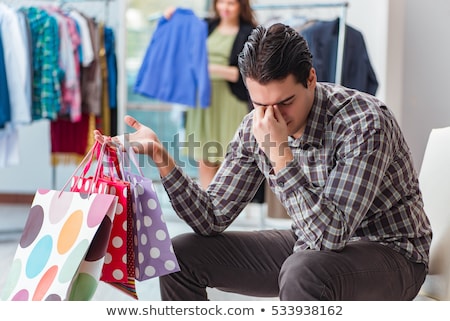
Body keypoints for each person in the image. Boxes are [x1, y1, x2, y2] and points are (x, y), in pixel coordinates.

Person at [95, 23, 432, 300]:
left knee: (305, 269)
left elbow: (330, 238)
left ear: (311, 79)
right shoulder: (254, 124)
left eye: (285, 102)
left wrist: (279, 153)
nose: (273, 118)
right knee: (180, 254)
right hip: (308, 245)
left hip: (391, 256)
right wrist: (162, 158)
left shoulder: (364, 122)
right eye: (260, 104)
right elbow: (212, 218)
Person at [171, 0, 257, 189]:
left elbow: (244, 72)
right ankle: (206, 208)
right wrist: (172, 15)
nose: (225, 8)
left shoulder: (250, 32)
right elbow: (183, 32)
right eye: (221, 2)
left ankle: (223, 209)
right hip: (202, 100)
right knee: (205, 156)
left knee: (230, 156)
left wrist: (207, 68)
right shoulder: (206, 26)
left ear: (241, 6)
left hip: (231, 100)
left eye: (231, 3)